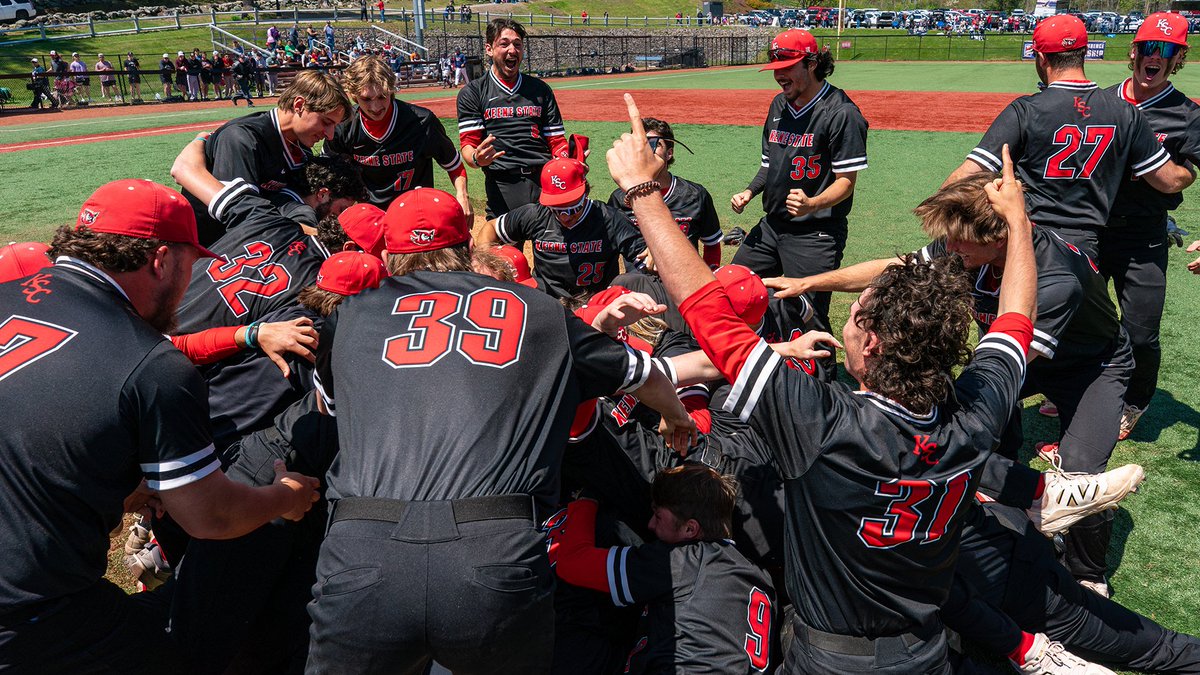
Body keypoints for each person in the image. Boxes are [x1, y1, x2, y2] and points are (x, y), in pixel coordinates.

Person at [611, 91, 1036, 672]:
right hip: (927, 653)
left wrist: (640, 191)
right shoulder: (975, 413)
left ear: (873, 344)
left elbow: (705, 310)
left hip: (832, 660)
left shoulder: (823, 423)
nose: (849, 316)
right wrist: (1018, 223)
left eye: (857, 311)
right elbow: (1015, 319)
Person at [305, 186, 694, 673]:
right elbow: (643, 374)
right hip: (493, 550)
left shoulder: (349, 315)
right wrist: (676, 416)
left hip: (364, 544)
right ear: (468, 247)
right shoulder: (540, 310)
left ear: (386, 251)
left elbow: (333, 409)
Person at [0, 179, 320, 672]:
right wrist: (287, 496)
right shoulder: (150, 365)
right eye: (192, 264)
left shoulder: (11, 293)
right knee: (191, 643)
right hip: (29, 613)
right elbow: (211, 517)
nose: (193, 279)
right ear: (161, 260)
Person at [549, 464, 780, 674]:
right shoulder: (760, 577)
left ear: (690, 529)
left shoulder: (685, 561)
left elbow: (572, 563)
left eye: (658, 517)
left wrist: (585, 498)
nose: (650, 524)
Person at [729, 29, 869, 337]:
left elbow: (846, 182)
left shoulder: (842, 113)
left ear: (812, 63)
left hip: (815, 234)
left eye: (788, 67)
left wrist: (812, 204)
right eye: (776, 69)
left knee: (807, 316)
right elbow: (770, 164)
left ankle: (821, 380)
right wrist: (750, 192)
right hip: (771, 226)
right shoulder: (779, 106)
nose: (780, 76)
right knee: (733, 289)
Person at [1103, 12, 1200, 440]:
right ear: (1134, 51)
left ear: (1179, 57)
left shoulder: (1187, 115)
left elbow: (1184, 176)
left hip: (1144, 234)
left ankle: (1134, 400)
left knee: (1141, 331)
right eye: (1147, 47)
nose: (1154, 56)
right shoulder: (1101, 101)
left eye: (1165, 50)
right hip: (1090, 228)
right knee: (1069, 314)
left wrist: (1167, 173)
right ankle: (1069, 384)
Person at [175, 70, 351, 244]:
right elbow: (244, 215)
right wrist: (313, 234)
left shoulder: (301, 148)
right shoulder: (242, 138)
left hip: (248, 245)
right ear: (299, 105)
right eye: (326, 122)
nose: (330, 135)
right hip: (207, 249)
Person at [478, 158, 649, 300]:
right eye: (557, 210)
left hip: (594, 305)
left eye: (571, 209)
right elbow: (491, 228)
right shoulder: (537, 214)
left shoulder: (609, 219)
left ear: (585, 194)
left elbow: (645, 259)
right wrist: (484, 260)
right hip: (547, 302)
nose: (565, 216)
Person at [323, 56, 470, 214]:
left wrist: (463, 196)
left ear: (391, 90)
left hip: (417, 213)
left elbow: (453, 164)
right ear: (353, 96)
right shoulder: (343, 126)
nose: (375, 107)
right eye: (366, 99)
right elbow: (325, 171)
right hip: (371, 216)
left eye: (382, 96)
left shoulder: (421, 122)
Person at [457, 18, 571, 217]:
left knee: (551, 246)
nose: (512, 50)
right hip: (502, 184)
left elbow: (556, 140)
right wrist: (477, 158)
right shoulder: (473, 92)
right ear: (489, 49)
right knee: (504, 248)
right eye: (504, 44)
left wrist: (567, 161)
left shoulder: (540, 89)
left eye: (517, 44)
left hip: (543, 181)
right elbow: (469, 145)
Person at [609, 117, 724, 272]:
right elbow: (609, 250)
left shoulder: (695, 195)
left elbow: (711, 245)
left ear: (669, 153)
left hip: (685, 283)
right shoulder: (619, 199)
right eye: (639, 144)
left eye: (653, 143)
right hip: (639, 287)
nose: (646, 150)